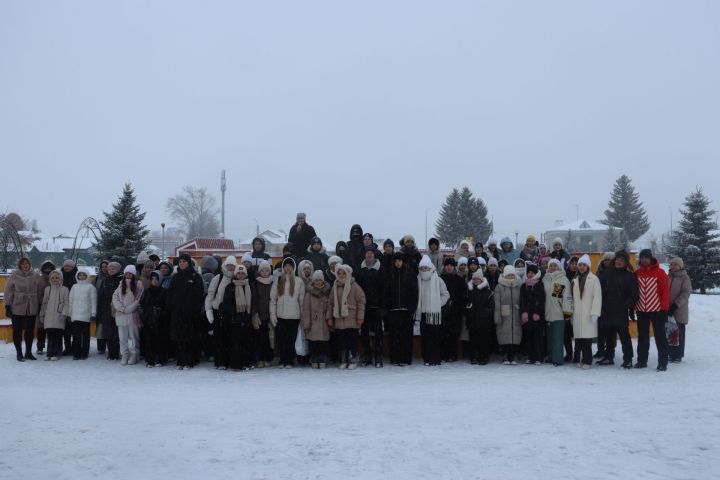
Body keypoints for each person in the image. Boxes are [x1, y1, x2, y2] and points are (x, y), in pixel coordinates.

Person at [597, 250, 638, 368]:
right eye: (617, 259)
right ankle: (608, 357)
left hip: (620, 311)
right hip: (607, 310)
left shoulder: (630, 276)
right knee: (609, 335)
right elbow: (599, 289)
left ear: (626, 263)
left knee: (624, 336)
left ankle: (628, 359)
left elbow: (634, 295)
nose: (619, 262)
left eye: (622, 260)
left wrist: (624, 306)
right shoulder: (607, 273)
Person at [635, 249, 670, 371]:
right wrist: (632, 307)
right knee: (642, 337)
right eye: (642, 257)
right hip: (641, 310)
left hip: (657, 311)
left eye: (646, 257)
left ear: (651, 258)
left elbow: (665, 292)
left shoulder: (660, 273)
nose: (644, 260)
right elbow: (634, 292)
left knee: (660, 337)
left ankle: (663, 363)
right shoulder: (637, 273)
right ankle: (642, 361)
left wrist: (664, 309)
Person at [167, 253, 204, 370]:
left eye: (184, 261)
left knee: (190, 337)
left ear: (189, 262)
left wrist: (195, 309)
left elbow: (199, 295)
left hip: (190, 313)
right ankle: (181, 360)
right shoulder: (175, 277)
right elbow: (170, 294)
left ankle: (190, 360)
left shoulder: (195, 277)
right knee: (179, 337)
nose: (182, 263)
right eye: (180, 262)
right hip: (177, 312)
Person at [4, 257, 44, 361]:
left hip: (32, 306)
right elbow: (8, 291)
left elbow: (39, 291)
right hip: (18, 306)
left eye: (27, 263)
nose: (25, 265)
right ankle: (19, 353)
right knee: (17, 331)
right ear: (20, 265)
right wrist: (7, 305)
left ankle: (28, 352)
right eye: (23, 263)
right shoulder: (14, 275)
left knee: (30, 331)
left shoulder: (35, 276)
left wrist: (39, 303)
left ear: (30, 264)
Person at [327, 264, 366, 369]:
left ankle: (352, 359)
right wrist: (329, 317)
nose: (341, 275)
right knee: (342, 342)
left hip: (352, 318)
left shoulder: (354, 285)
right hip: (339, 319)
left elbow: (361, 301)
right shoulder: (335, 285)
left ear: (348, 274)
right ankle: (344, 360)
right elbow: (330, 303)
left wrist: (360, 317)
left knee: (352, 341)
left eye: (343, 273)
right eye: (339, 273)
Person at [415, 255, 450, 366]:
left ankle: (435, 358)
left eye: (426, 267)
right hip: (423, 313)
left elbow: (446, 294)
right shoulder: (417, 279)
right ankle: (427, 358)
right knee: (425, 337)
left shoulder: (437, 279)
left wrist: (437, 304)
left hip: (434, 313)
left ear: (430, 267)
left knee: (435, 337)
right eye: (422, 268)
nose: (424, 270)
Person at [270, 257, 305, 368]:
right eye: (285, 266)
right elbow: (273, 299)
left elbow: (301, 300)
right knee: (281, 340)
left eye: (289, 266)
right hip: (280, 316)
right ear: (283, 267)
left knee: (291, 340)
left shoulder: (299, 281)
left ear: (293, 267)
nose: (287, 268)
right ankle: (282, 359)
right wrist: (272, 314)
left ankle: (289, 360)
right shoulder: (278, 280)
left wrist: (302, 316)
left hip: (294, 317)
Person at [356, 247, 387, 367]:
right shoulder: (360, 269)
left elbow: (385, 289)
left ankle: (378, 355)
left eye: (371, 253)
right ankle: (367, 355)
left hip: (377, 306)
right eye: (367, 253)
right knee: (364, 333)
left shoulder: (381, 269)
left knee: (379, 333)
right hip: (364, 306)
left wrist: (383, 306)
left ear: (374, 255)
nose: (369, 255)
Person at [386, 252, 418, 366]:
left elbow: (414, 292)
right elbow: (387, 292)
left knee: (406, 336)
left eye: (399, 261)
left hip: (406, 310)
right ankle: (395, 358)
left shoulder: (410, 274)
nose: (397, 263)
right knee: (394, 336)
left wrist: (412, 308)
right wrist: (388, 307)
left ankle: (405, 358)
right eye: (395, 261)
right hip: (393, 310)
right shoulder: (390, 274)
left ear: (403, 261)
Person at [206, 256, 238, 370]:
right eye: (228, 265)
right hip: (218, 313)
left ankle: (229, 361)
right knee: (219, 339)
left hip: (232, 314)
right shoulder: (218, 278)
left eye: (232, 266)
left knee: (231, 339)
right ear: (224, 266)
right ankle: (220, 362)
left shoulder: (237, 278)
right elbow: (210, 295)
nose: (230, 268)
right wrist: (208, 310)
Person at [570, 255, 602, 370]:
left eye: (584, 265)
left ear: (588, 266)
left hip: (589, 314)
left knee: (587, 340)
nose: (581, 267)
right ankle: (581, 359)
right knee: (580, 339)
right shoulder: (575, 280)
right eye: (579, 265)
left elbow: (597, 297)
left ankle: (587, 360)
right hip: (578, 314)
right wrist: (572, 314)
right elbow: (573, 299)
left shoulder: (593, 279)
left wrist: (595, 313)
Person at [542, 259, 573, 366]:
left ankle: (558, 358)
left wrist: (567, 311)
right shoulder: (545, 279)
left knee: (558, 338)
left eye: (555, 265)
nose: (553, 267)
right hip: (547, 312)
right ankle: (550, 357)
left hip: (559, 313)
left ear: (559, 267)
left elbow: (567, 296)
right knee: (549, 337)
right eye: (551, 265)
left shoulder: (563, 279)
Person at [112, 265, 144, 366]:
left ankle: (135, 354)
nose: (128, 275)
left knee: (134, 337)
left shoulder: (139, 284)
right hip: (121, 315)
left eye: (130, 273)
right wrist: (121, 308)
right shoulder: (121, 284)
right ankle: (124, 354)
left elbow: (138, 299)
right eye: (126, 273)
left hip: (132, 315)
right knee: (122, 337)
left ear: (134, 274)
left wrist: (129, 309)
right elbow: (115, 297)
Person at [227, 265, 254, 371]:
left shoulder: (249, 286)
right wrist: (234, 313)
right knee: (236, 343)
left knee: (246, 342)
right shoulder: (230, 287)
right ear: (235, 274)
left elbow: (254, 300)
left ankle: (247, 362)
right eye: (239, 273)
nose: (241, 275)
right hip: (235, 319)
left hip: (247, 318)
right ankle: (236, 364)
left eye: (243, 273)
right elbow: (227, 303)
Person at [39, 270, 70, 361]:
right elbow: (44, 303)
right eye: (53, 278)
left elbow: (66, 302)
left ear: (60, 278)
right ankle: (49, 353)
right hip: (48, 316)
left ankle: (57, 353)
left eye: (57, 277)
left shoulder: (65, 289)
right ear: (50, 279)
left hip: (59, 315)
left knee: (58, 335)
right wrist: (42, 314)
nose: (55, 279)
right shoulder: (47, 289)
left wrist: (64, 313)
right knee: (50, 335)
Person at [138, 271, 167, 367]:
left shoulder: (164, 291)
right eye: (152, 279)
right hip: (148, 320)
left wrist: (160, 314)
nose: (154, 281)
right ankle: (150, 359)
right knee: (149, 340)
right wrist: (144, 316)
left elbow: (167, 306)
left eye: (156, 279)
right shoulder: (146, 291)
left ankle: (160, 359)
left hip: (160, 321)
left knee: (160, 340)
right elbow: (141, 305)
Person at [302, 270, 331, 369]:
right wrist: (306, 324)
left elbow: (330, 306)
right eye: (316, 280)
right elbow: (306, 310)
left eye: (320, 280)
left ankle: (322, 359)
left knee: (323, 343)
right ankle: (314, 359)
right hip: (313, 322)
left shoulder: (327, 293)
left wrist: (328, 316)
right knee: (314, 343)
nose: (318, 282)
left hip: (324, 322)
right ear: (313, 281)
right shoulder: (309, 294)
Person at [439, 257, 466, 362]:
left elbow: (464, 295)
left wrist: (458, 305)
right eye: (447, 265)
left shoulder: (459, 279)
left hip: (456, 311)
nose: (449, 267)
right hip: (443, 311)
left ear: (454, 267)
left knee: (454, 334)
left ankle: (452, 355)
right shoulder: (440, 279)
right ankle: (443, 354)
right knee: (443, 333)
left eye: (451, 265)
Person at [494, 266, 522, 364]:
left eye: (512, 274)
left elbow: (522, 300)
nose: (510, 276)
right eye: (508, 275)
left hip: (516, 313)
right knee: (504, 336)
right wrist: (497, 316)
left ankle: (513, 355)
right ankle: (505, 355)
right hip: (503, 314)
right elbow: (497, 303)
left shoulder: (519, 286)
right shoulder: (499, 286)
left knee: (515, 336)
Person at [465, 270, 494, 365]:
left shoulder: (488, 291)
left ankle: (483, 357)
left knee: (484, 340)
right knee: (473, 339)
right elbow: (466, 303)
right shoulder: (469, 290)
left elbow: (491, 306)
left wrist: (486, 313)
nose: (476, 280)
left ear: (481, 279)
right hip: (472, 319)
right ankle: (473, 357)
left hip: (484, 320)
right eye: (474, 278)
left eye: (478, 278)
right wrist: (468, 307)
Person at [520, 263, 546, 365]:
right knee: (529, 337)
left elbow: (541, 300)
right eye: (528, 273)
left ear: (536, 273)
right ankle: (531, 356)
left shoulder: (539, 284)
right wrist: (523, 312)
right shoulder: (524, 286)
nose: (530, 274)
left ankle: (538, 357)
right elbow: (522, 300)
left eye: (532, 272)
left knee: (538, 337)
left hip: (536, 316)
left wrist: (538, 312)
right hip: (527, 315)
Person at [68, 268, 97, 360]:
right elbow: (70, 301)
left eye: (84, 275)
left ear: (87, 276)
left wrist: (93, 314)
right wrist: (69, 314)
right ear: (77, 276)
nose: (82, 277)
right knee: (76, 336)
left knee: (85, 336)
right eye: (80, 275)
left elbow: (94, 302)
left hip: (86, 316)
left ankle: (84, 352)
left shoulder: (91, 287)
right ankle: (76, 353)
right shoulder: (74, 287)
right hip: (75, 316)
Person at [251, 260, 275, 367]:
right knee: (259, 339)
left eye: (267, 270)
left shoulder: (273, 283)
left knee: (268, 339)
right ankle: (260, 358)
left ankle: (267, 358)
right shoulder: (255, 283)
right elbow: (253, 300)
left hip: (269, 315)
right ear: (259, 272)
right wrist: (254, 314)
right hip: (259, 315)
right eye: (263, 270)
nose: (265, 272)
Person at [98, 262, 123, 360]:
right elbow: (101, 296)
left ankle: (116, 353)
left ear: (118, 269)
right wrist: (100, 309)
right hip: (106, 309)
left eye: (113, 269)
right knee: (107, 332)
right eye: (109, 269)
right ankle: (110, 352)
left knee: (116, 332)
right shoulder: (105, 280)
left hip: (117, 309)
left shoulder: (121, 280)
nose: (111, 270)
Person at [668, 257, 691, 363]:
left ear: (680, 266)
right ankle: (671, 353)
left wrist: (675, 305)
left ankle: (678, 354)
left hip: (679, 309)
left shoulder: (684, 278)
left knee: (679, 332)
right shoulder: (668, 276)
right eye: (671, 264)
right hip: (668, 309)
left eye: (675, 264)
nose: (673, 266)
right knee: (670, 332)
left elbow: (685, 293)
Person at [593, 252, 616, 359]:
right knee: (600, 329)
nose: (607, 262)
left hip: (612, 306)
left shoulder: (616, 272)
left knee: (611, 331)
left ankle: (610, 351)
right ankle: (600, 349)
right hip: (600, 304)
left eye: (610, 260)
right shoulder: (599, 272)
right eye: (606, 260)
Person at [35, 260, 57, 355]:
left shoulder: (56, 277)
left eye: (49, 268)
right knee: (41, 328)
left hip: (53, 306)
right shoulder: (38, 279)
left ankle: (52, 347)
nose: (47, 270)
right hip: (41, 306)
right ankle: (40, 346)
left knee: (52, 328)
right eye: (46, 268)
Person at [60, 259, 78, 355]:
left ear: (73, 267)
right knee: (65, 329)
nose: (67, 268)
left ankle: (75, 347)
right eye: (66, 266)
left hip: (75, 304)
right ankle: (67, 348)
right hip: (63, 304)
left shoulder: (77, 276)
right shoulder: (60, 275)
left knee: (74, 328)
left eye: (69, 266)